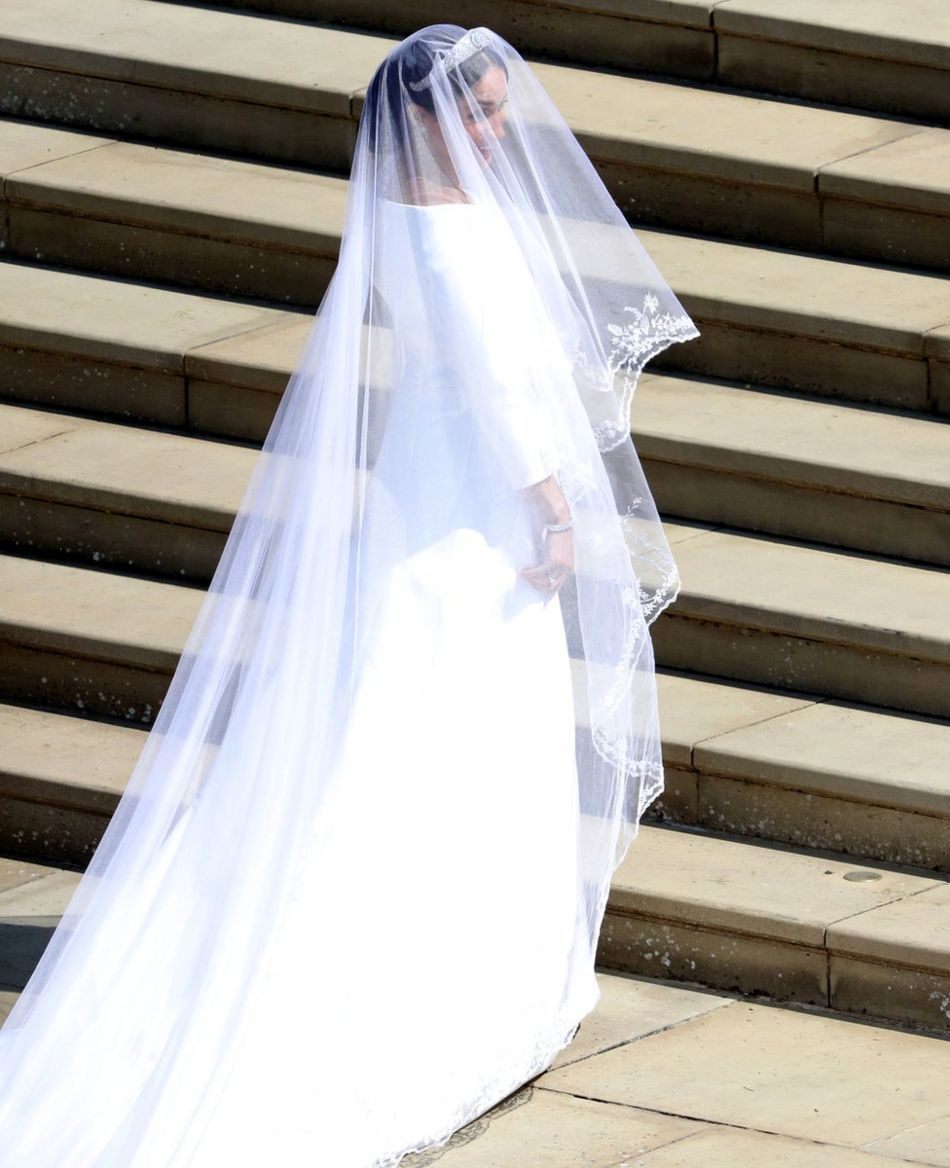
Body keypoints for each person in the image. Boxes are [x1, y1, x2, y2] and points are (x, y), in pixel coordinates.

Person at [0, 23, 699, 1168]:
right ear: (421, 120)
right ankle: (424, 975)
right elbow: (494, 376)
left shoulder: (402, 221)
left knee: (424, 714)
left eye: (495, 111)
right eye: (474, 113)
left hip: (436, 482)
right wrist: (557, 507)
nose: (494, 131)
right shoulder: (447, 238)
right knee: (441, 723)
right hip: (475, 503)